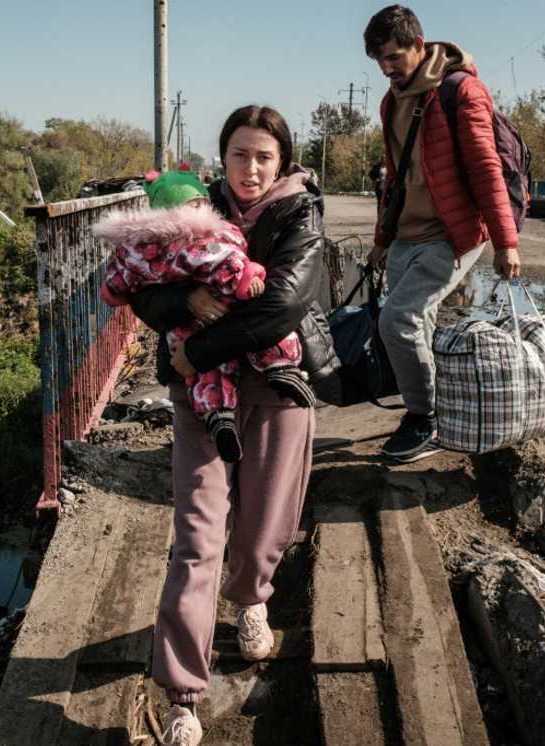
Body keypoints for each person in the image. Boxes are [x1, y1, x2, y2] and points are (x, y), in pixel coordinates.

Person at [127, 105, 340, 746]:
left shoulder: (300, 213)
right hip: (200, 397)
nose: (250, 169)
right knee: (196, 539)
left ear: (283, 162)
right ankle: (183, 694)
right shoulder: (190, 206)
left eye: (264, 157)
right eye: (240, 154)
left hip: (277, 387)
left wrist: (196, 348)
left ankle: (251, 601)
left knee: (265, 525)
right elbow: (137, 281)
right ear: (222, 158)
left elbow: (283, 304)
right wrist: (182, 301)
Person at [365, 4, 522, 462]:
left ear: (418, 44)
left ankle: (424, 419)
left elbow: (485, 167)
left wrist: (506, 241)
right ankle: (438, 408)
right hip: (406, 236)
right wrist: (381, 239)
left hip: (452, 233)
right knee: (417, 323)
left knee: (399, 319)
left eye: (393, 58)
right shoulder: (391, 102)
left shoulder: (460, 91)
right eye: (378, 62)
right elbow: (394, 178)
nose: (386, 69)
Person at [95, 168, 313, 463]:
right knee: (264, 323)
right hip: (227, 308)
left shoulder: (134, 247)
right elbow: (221, 259)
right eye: (197, 203)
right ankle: (280, 364)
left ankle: (217, 415)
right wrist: (246, 277)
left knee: (207, 371)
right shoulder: (203, 233)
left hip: (184, 329)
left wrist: (112, 291)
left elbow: (119, 281)